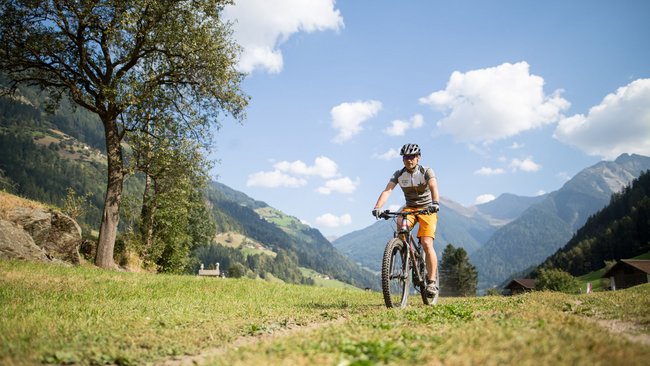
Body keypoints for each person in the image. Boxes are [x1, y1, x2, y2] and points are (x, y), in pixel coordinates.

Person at [372, 143, 440, 296]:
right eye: (405, 157)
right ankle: (408, 254)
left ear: (418, 158)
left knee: (427, 243)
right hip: (409, 209)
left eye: (412, 157)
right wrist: (377, 207)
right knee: (400, 226)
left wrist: (435, 203)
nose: (409, 160)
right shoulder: (399, 174)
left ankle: (431, 282)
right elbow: (387, 190)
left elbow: (434, 187)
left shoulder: (426, 171)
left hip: (427, 209)